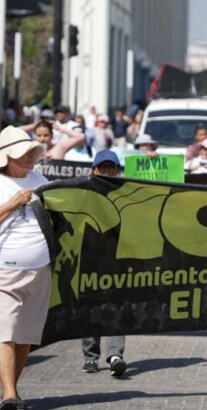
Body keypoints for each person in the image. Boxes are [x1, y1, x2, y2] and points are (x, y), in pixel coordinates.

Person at [0, 126, 51, 409]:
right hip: (3, 269)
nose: (30, 158)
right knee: (5, 330)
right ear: (7, 158)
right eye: (24, 154)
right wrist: (12, 203)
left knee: (25, 334)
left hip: (41, 269)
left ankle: (12, 393)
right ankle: (8, 395)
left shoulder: (40, 178)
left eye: (32, 153)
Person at [81, 150, 128, 377]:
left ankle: (115, 355)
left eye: (111, 167)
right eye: (103, 168)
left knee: (117, 306)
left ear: (118, 170)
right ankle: (91, 356)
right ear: (94, 170)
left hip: (120, 259)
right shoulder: (84, 193)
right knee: (91, 307)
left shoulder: (129, 193)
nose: (107, 171)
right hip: (91, 259)